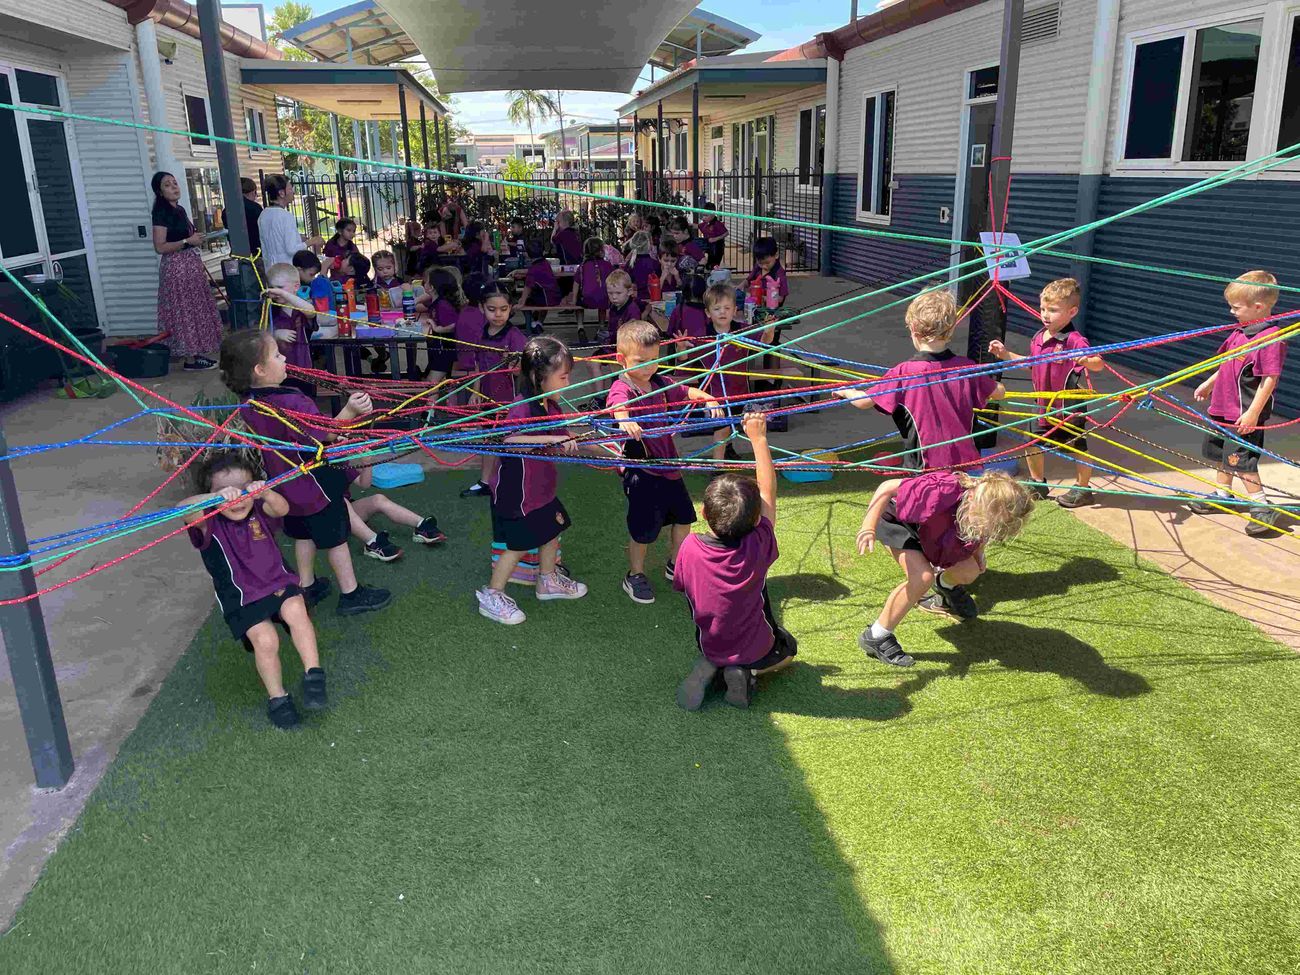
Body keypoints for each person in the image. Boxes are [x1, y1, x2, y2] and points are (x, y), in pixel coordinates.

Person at [220, 329, 392, 617]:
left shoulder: (249, 403)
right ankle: (351, 594)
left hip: (286, 484)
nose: (285, 358)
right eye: (277, 355)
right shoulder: (291, 402)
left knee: (303, 534)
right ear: (260, 370)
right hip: (316, 485)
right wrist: (350, 411)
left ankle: (307, 587)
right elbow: (323, 434)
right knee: (336, 538)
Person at [180, 452, 325, 729]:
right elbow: (182, 507)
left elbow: (282, 508)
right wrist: (215, 499)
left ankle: (314, 675)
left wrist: (265, 492)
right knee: (266, 640)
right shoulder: (207, 521)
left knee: (297, 609)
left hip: (277, 582)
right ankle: (278, 699)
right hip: (242, 597)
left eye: (243, 489)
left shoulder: (260, 509)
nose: (237, 498)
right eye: (225, 491)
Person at [673, 412, 796, 710]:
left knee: (725, 637)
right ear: (755, 521)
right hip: (756, 647)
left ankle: (713, 664)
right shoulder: (757, 544)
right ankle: (745, 671)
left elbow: (682, 586)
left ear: (704, 514)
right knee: (789, 650)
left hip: (709, 642)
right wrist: (759, 438)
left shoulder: (689, 547)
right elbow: (767, 492)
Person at [856, 470, 1034, 667]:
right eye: (985, 521)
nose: (985, 528)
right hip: (902, 523)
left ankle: (944, 587)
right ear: (973, 497)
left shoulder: (985, 510)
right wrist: (868, 527)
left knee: (970, 572)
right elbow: (887, 487)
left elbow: (982, 534)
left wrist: (978, 554)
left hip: (936, 534)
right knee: (922, 577)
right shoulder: (942, 489)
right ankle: (876, 635)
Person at [477, 336, 589, 624]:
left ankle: (547, 580)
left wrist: (609, 448)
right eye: (562, 377)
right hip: (518, 493)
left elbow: (563, 438)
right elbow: (509, 441)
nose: (567, 384)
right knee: (518, 545)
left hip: (541, 488)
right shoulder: (523, 407)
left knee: (551, 529)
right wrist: (550, 439)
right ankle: (492, 594)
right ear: (538, 377)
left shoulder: (552, 406)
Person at [608, 320, 722, 604]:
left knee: (684, 518)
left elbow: (685, 391)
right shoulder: (623, 387)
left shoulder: (659, 382)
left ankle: (675, 564)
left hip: (669, 468)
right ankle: (635, 574)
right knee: (643, 531)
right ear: (621, 359)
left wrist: (708, 398)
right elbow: (617, 405)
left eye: (654, 359)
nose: (650, 366)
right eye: (641, 361)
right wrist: (625, 420)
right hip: (642, 471)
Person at [832, 290, 1005, 472]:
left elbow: (864, 401)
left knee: (889, 488)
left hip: (924, 469)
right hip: (963, 467)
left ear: (913, 329)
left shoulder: (903, 372)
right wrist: (995, 383)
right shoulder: (966, 368)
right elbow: (999, 392)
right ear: (951, 330)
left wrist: (847, 391)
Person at [1188, 270, 1288, 537]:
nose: (1232, 312)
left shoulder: (1270, 339)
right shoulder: (1239, 333)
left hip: (1244, 413)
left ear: (1258, 307)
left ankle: (1262, 507)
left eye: (1236, 307)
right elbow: (1227, 363)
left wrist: (1253, 413)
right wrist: (1209, 383)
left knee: (1241, 461)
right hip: (1222, 407)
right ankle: (1223, 495)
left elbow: (1269, 379)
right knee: (1222, 455)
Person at [988, 277, 1104, 507]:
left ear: (1072, 312)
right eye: (1043, 309)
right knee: (1031, 443)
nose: (1045, 314)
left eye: (1053, 310)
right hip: (1042, 403)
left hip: (1067, 406)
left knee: (1077, 447)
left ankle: (1083, 489)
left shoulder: (1074, 340)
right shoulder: (1039, 337)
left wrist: (1085, 359)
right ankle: (1038, 483)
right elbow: (1032, 364)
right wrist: (1005, 355)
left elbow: (1098, 363)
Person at [150, 171, 221, 371]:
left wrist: (194, 239)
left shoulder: (179, 210)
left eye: (175, 183)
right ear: (160, 192)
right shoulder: (161, 213)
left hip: (190, 265)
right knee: (184, 311)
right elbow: (160, 246)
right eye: (167, 185)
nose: (174, 187)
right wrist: (186, 241)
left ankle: (196, 352)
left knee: (195, 308)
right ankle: (189, 358)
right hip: (177, 268)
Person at [463, 281, 528, 499]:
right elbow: (478, 367)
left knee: (511, 440)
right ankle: (485, 482)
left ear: (510, 308)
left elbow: (522, 372)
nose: (498, 314)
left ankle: (514, 483)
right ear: (482, 308)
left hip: (509, 400)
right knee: (488, 438)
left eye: (503, 309)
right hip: (488, 397)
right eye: (492, 309)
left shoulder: (514, 335)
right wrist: (475, 392)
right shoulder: (481, 333)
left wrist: (513, 363)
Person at [346, 466, 446, 562]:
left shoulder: (341, 462)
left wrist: (367, 463)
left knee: (378, 499)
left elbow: (364, 484)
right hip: (337, 515)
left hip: (346, 511)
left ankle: (421, 526)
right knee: (343, 503)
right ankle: (372, 543)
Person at [703, 283, 753, 465]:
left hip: (739, 391)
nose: (722, 312)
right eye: (717, 309)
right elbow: (684, 357)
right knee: (722, 428)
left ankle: (728, 449)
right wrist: (681, 348)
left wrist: (769, 330)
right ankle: (717, 467)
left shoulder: (743, 331)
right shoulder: (703, 336)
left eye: (727, 308)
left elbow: (765, 340)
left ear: (734, 311)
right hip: (715, 395)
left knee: (731, 424)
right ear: (708, 313)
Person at [262, 262, 317, 396]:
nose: (275, 292)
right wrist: (275, 334)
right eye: (272, 288)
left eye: (280, 288)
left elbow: (311, 312)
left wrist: (284, 294)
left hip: (304, 368)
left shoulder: (301, 307)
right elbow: (260, 332)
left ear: (296, 287)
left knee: (305, 399)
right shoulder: (270, 308)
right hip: (278, 370)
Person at [259, 173, 323, 270]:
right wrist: (312, 241)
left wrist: (297, 238)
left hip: (270, 269)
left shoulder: (263, 215)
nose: (293, 191)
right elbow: (291, 249)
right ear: (281, 193)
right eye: (290, 189)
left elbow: (276, 241)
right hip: (286, 270)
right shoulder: (285, 216)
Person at [414, 266, 463, 384]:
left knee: (432, 381)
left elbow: (455, 325)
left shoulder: (443, 305)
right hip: (442, 349)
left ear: (431, 287)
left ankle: (433, 398)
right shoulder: (436, 302)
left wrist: (438, 328)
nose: (423, 284)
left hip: (447, 350)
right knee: (431, 379)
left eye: (425, 282)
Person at [521, 236, 561, 335]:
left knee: (526, 302)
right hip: (555, 297)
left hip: (545, 299)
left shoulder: (533, 270)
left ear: (528, 254)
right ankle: (539, 323)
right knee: (538, 295)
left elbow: (527, 287)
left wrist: (521, 302)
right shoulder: (545, 263)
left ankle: (531, 324)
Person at [569, 236, 613, 321]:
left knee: (578, 300)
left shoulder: (583, 266)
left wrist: (574, 300)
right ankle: (601, 324)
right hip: (604, 300)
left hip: (586, 300)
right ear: (601, 251)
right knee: (602, 297)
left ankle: (580, 325)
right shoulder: (607, 265)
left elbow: (576, 283)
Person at [219, 177, 262, 259]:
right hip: (256, 252)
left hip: (237, 253)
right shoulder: (255, 208)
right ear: (252, 192)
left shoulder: (227, 210)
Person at [747, 236, 788, 309]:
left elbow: (781, 298)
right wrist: (740, 287)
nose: (764, 266)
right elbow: (748, 280)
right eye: (760, 263)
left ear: (776, 255)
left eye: (767, 263)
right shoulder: (758, 267)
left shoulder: (779, 274)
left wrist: (766, 297)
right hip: (756, 306)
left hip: (772, 309)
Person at [627, 231, 662, 305]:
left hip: (635, 300)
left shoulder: (629, 264)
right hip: (653, 298)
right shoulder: (655, 264)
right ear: (649, 245)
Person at [699, 204, 728, 269]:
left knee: (714, 266)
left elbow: (726, 233)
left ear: (713, 214)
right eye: (703, 215)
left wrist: (715, 239)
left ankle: (715, 273)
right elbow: (697, 226)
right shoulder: (706, 223)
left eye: (706, 215)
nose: (703, 218)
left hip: (717, 248)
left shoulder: (717, 224)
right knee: (709, 266)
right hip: (710, 247)